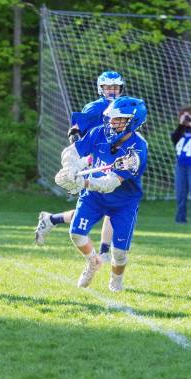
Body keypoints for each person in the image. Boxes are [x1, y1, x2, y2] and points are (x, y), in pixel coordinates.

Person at [54, 96, 148, 292]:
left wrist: (83, 182)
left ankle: (116, 282)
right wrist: (70, 168)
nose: (111, 123)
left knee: (119, 252)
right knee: (76, 234)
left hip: (124, 202)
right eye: (111, 118)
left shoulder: (137, 149)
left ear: (133, 121)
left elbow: (111, 183)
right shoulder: (99, 133)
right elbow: (71, 151)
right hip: (94, 197)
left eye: (118, 119)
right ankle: (92, 262)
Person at [35, 70, 126, 262]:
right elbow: (77, 128)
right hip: (95, 161)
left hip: (114, 161)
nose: (112, 91)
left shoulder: (124, 105)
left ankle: (53, 220)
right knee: (98, 207)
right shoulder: (95, 107)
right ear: (101, 89)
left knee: (111, 206)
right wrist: (76, 138)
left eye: (115, 87)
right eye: (108, 87)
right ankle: (53, 220)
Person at [171, 106, 191, 224]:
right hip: (180, 165)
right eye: (184, 115)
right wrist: (181, 125)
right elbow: (174, 139)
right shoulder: (180, 129)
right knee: (180, 194)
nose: (186, 118)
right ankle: (180, 220)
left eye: (189, 115)